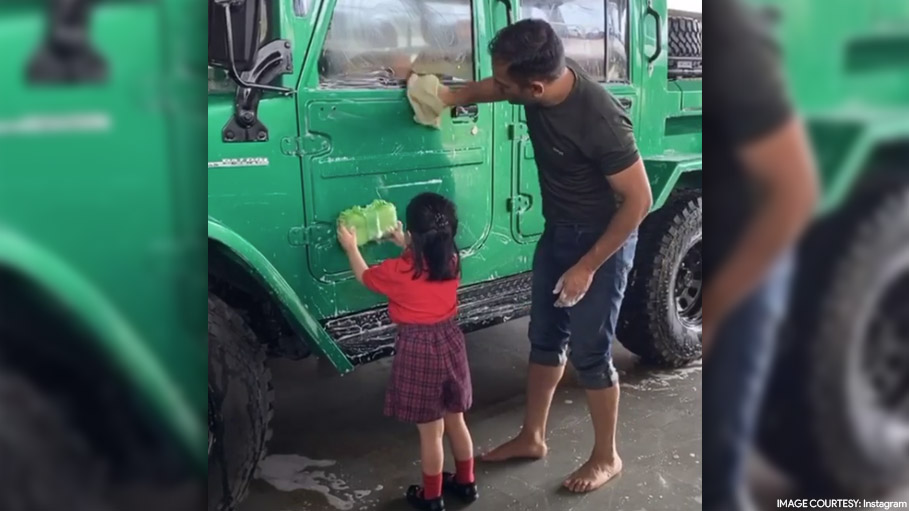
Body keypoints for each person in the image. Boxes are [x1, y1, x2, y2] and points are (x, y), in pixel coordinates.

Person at [436, 19, 653, 493]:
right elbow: (496, 87)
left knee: (591, 353)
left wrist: (587, 266)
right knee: (544, 338)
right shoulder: (540, 80)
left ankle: (606, 456)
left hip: (601, 243)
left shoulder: (599, 116)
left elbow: (639, 201)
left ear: (534, 88)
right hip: (559, 233)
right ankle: (532, 438)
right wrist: (448, 97)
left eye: (504, 84)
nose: (498, 88)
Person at [702, 1, 818, 509]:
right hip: (729, 254)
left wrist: (720, 303)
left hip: (749, 267)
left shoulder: (728, 40)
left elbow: (795, 190)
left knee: (721, 458)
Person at [337, 192, 479, 511]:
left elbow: (364, 276)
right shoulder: (453, 261)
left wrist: (351, 248)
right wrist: (405, 241)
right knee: (456, 420)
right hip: (451, 342)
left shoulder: (397, 271)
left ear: (414, 235)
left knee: (431, 432)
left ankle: (431, 498)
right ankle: (467, 484)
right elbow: (427, 261)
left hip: (418, 348)